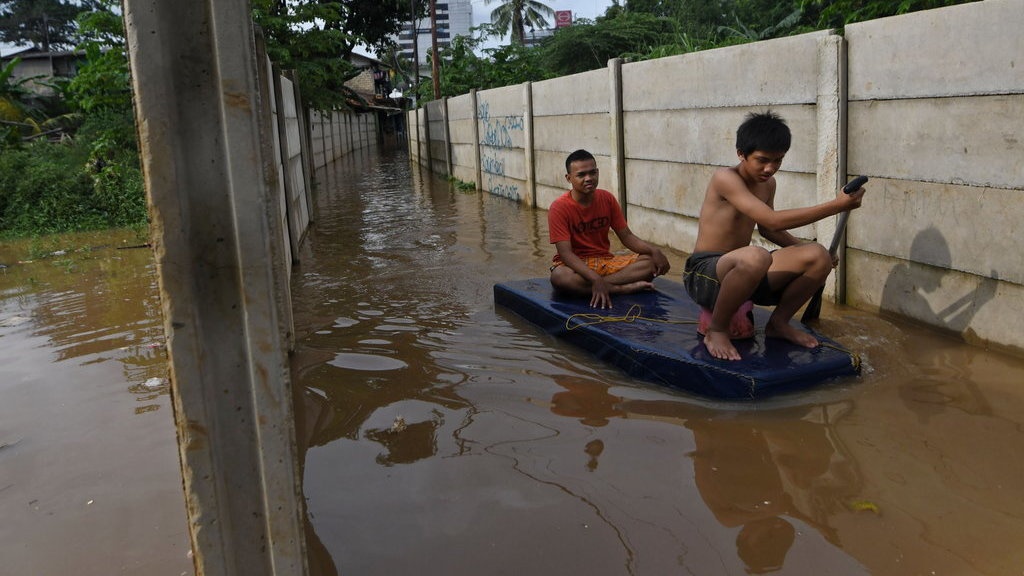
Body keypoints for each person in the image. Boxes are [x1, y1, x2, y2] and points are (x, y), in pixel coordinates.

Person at [683, 111, 865, 361]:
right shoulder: (725, 178)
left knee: (817, 255)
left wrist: (807, 250)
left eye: (778, 160)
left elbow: (769, 230)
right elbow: (771, 220)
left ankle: (778, 324)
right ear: (741, 153)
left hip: (745, 272)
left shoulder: (767, 184)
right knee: (756, 257)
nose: (770, 168)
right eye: (762, 160)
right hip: (705, 273)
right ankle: (716, 330)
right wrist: (837, 205)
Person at [549, 149, 671, 309]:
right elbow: (566, 254)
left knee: (651, 263)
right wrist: (595, 278)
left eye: (592, 173)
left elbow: (626, 236)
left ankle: (601, 286)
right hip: (576, 265)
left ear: (598, 173)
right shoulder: (559, 207)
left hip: (605, 261)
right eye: (581, 175)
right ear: (569, 178)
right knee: (559, 277)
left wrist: (654, 250)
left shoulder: (607, 199)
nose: (588, 179)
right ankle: (620, 288)